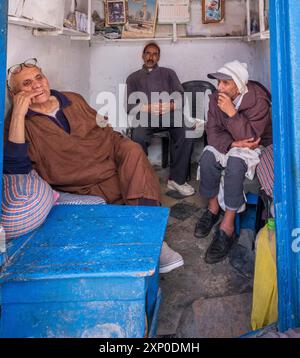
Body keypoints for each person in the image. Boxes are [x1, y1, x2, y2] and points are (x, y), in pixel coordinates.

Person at [4, 58, 183, 273]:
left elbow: (100, 125)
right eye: (26, 83)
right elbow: (17, 169)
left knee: (133, 150)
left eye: (39, 77)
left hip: (107, 162)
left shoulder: (72, 99)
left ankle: (151, 237)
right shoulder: (18, 123)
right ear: (16, 95)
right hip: (77, 183)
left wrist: (110, 129)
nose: (36, 84)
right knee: (127, 193)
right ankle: (152, 241)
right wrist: (18, 113)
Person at [194, 60, 273, 263]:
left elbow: (253, 140)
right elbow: (212, 133)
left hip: (253, 147)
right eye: (218, 82)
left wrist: (231, 113)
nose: (219, 87)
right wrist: (231, 143)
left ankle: (227, 226)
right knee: (208, 156)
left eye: (224, 83)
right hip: (229, 143)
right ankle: (212, 209)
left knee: (236, 163)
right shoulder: (215, 99)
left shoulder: (258, 101)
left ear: (238, 84)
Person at [126, 43, 194, 197]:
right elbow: (130, 106)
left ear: (159, 57)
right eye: (148, 53)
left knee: (188, 131)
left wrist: (170, 106)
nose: (151, 57)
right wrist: (148, 107)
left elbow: (180, 97)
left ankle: (177, 179)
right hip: (145, 116)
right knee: (137, 138)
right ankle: (141, 180)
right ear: (142, 55)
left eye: (155, 54)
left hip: (169, 114)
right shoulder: (133, 77)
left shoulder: (169, 73)